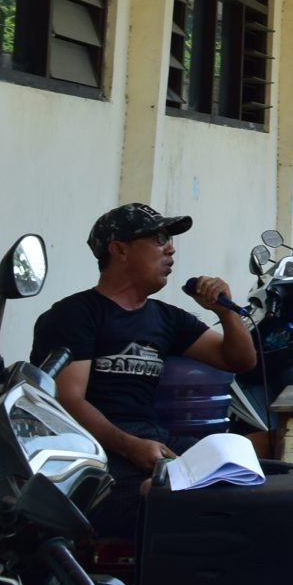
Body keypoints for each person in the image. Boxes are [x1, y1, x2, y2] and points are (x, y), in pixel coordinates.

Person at [31, 204, 258, 541]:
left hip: (152, 441)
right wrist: (128, 446)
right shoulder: (75, 315)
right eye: (159, 239)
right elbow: (67, 400)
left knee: (251, 467)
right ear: (119, 249)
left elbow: (240, 361)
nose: (171, 248)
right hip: (93, 450)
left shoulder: (166, 318)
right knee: (166, 503)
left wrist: (225, 311)